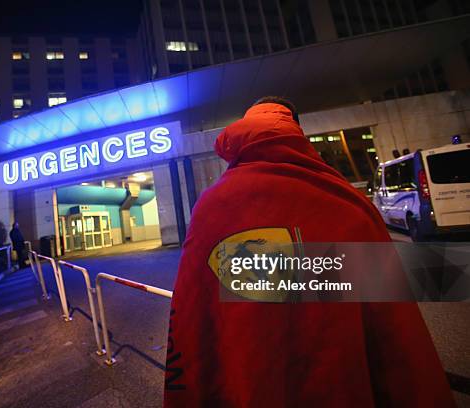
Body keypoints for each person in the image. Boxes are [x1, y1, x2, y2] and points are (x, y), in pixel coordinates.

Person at [164, 97, 453, 407]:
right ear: (298, 134)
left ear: (241, 138)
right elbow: (396, 335)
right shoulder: (349, 205)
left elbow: (192, 318)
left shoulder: (211, 207)